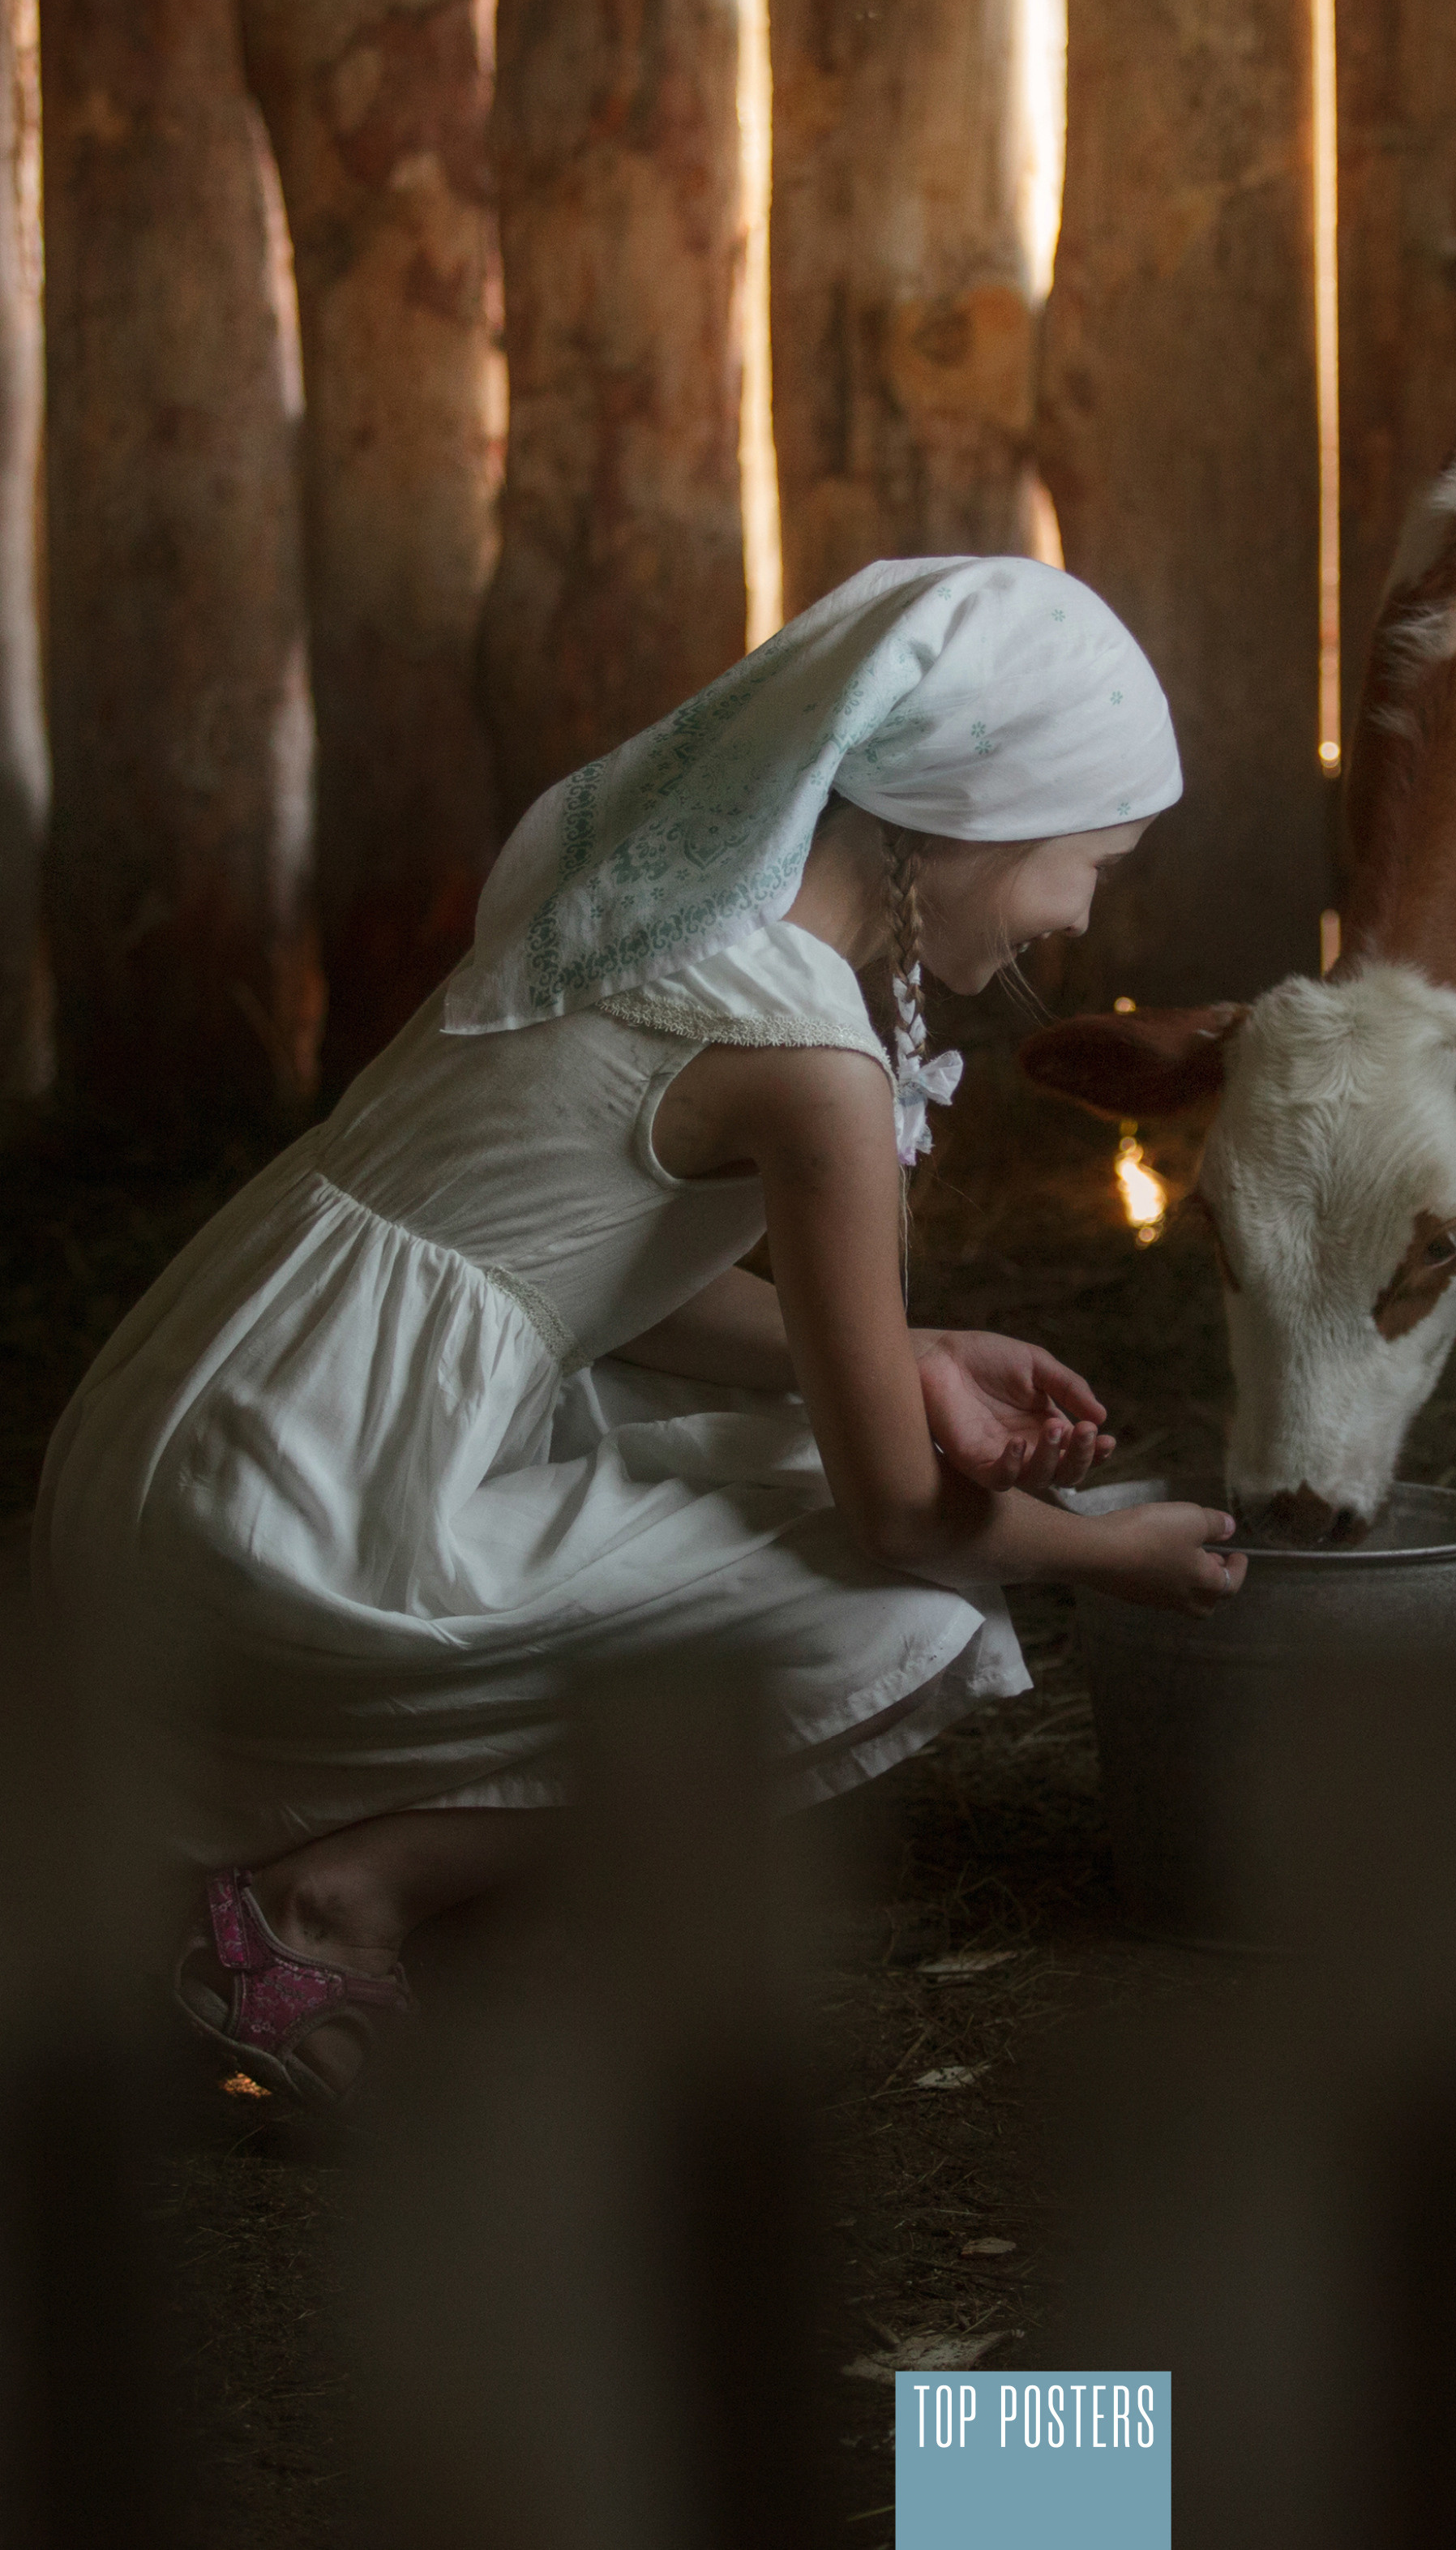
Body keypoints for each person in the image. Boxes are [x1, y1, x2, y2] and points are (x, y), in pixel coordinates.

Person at [33, 556, 1247, 2105]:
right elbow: (898, 1516)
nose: (1077, 918)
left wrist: (915, 1352)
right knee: (914, 1609)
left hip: (183, 1447)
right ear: (974, 817)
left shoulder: (637, 906)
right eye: (1091, 863)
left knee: (794, 1456)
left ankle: (374, 1861)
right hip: (288, 1525)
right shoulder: (811, 1061)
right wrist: (1108, 1556)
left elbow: (567, 1273)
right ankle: (331, 1902)